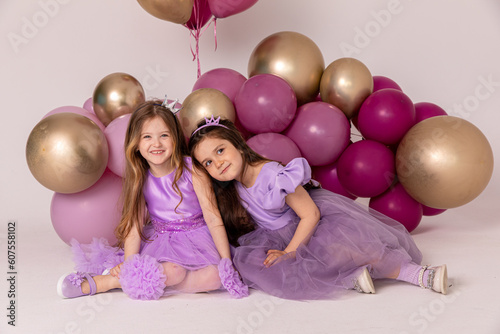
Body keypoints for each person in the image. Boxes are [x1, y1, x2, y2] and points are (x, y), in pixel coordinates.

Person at [188, 116, 449, 300]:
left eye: (221, 151)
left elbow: (310, 215)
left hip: (311, 224)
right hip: (277, 235)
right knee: (262, 265)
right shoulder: (232, 188)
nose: (218, 163)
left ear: (239, 145)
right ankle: (350, 277)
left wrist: (290, 252)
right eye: (208, 163)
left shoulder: (274, 175)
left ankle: (419, 275)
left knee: (354, 246)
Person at [57, 100, 247, 300]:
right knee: (173, 270)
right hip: (161, 240)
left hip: (198, 239)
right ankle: (107, 282)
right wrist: (131, 265)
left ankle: (145, 281)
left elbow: (213, 218)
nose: (156, 144)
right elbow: (134, 226)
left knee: (216, 278)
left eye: (164, 136)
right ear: (136, 143)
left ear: (175, 139)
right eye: (147, 137)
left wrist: (226, 260)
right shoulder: (141, 177)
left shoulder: (193, 170)